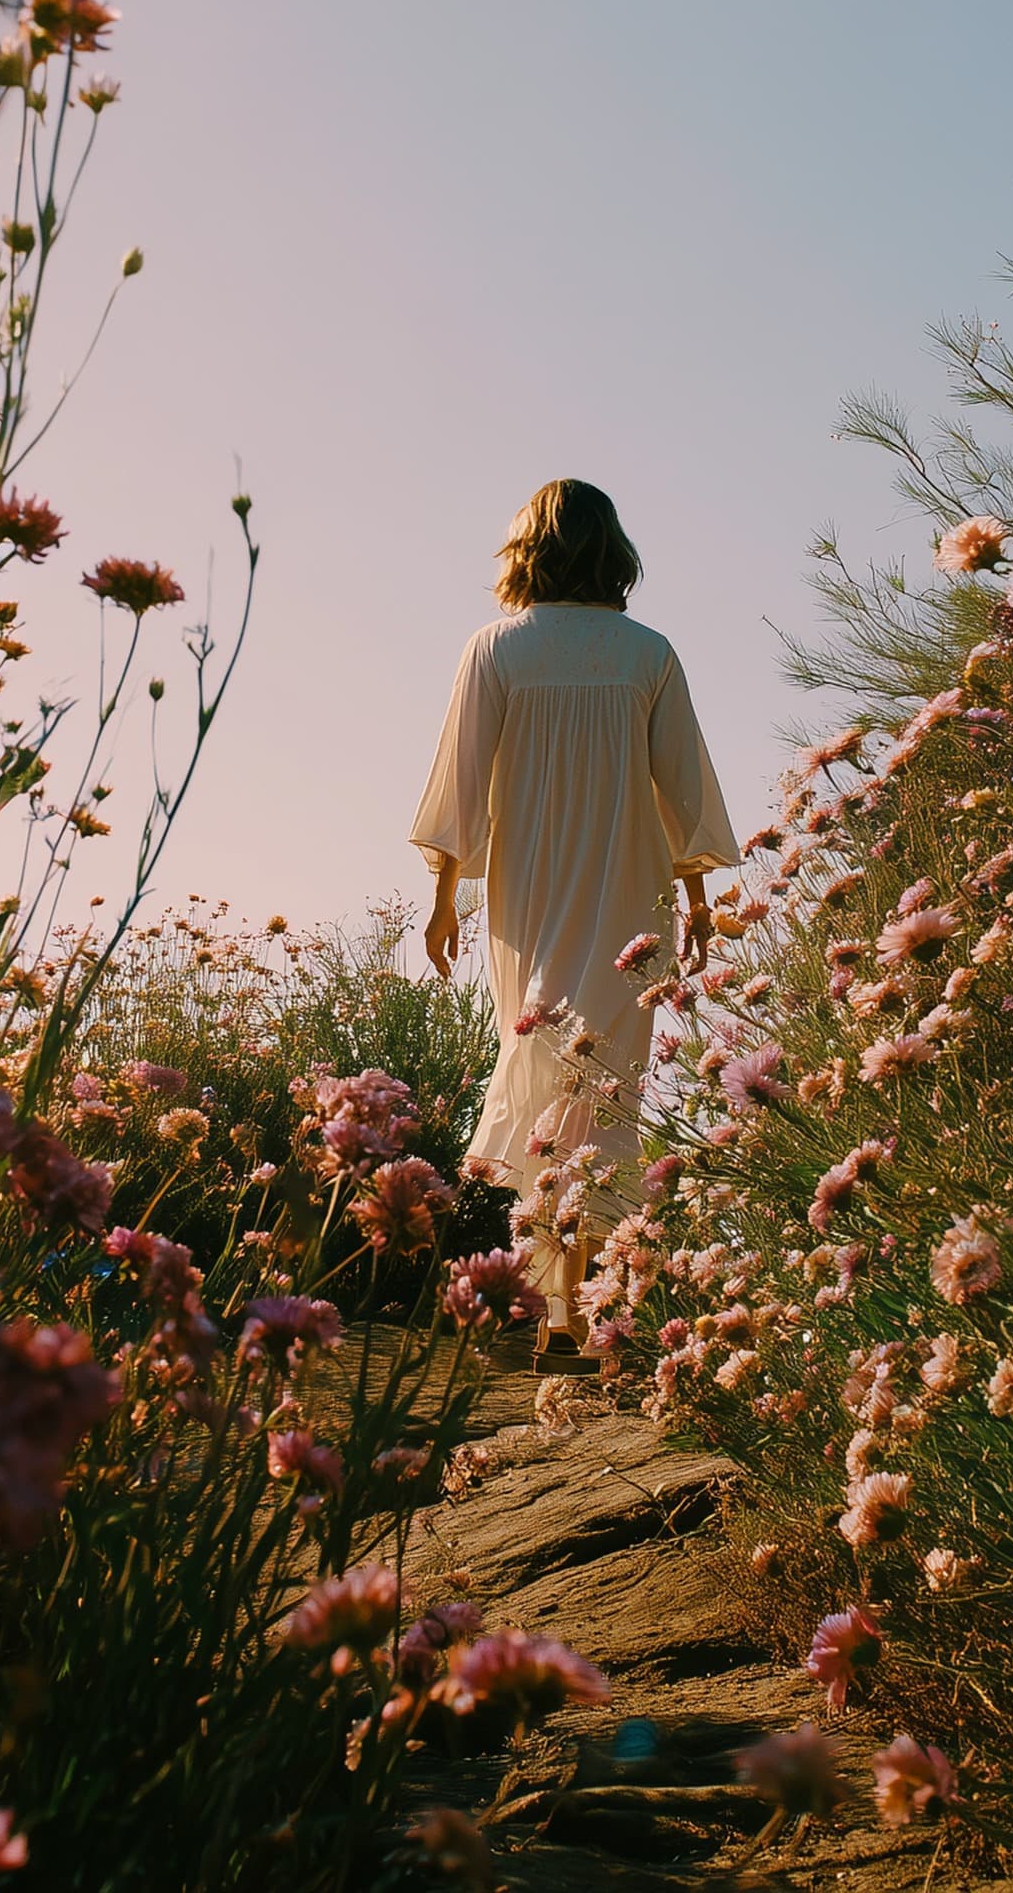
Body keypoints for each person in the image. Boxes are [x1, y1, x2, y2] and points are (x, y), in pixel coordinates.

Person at [411, 480, 737, 1364]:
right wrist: (697, 898)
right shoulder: (648, 652)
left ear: (528, 551)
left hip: (533, 887)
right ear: (611, 551)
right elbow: (687, 792)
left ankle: (563, 1312)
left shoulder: (497, 648)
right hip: (630, 889)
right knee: (603, 1085)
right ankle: (581, 1310)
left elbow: (459, 785)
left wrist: (445, 899)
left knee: (545, 1058)